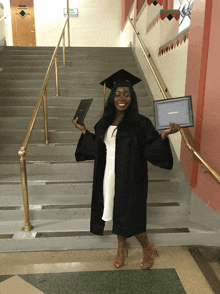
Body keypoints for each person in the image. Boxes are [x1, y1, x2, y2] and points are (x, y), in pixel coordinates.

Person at [72, 69, 181, 270]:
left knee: (132, 215)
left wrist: (165, 134)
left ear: (132, 96)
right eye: (118, 94)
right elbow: (99, 147)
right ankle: (122, 247)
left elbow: (151, 148)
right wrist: (85, 131)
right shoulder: (104, 121)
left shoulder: (141, 123)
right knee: (114, 211)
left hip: (132, 177)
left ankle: (148, 248)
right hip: (108, 175)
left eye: (127, 93)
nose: (122, 98)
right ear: (112, 97)